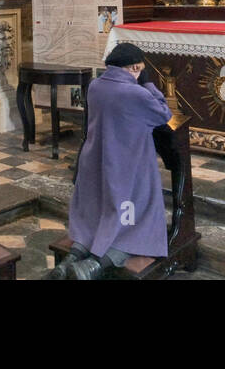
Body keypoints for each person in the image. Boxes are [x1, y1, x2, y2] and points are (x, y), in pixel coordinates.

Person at [50, 42, 172, 280]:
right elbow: (163, 113)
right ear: (134, 67)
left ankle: (71, 259)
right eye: (139, 69)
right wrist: (147, 83)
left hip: (95, 162)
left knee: (100, 214)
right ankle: (93, 266)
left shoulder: (95, 86)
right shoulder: (135, 92)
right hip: (127, 166)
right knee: (134, 216)